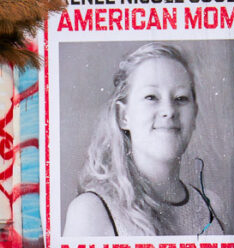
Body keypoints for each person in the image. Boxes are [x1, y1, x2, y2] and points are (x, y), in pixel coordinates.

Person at [64, 42, 223, 238]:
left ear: (195, 115)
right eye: (151, 97)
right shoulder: (92, 212)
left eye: (181, 98)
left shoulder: (212, 208)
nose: (169, 111)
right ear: (123, 116)